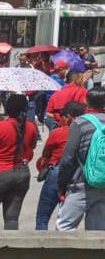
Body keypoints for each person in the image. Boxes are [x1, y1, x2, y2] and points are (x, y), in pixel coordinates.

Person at [0, 93, 37, 230]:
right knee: (12, 217)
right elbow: (32, 147)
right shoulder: (31, 127)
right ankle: (10, 249)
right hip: (22, 174)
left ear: (8, 108)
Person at [57, 85, 105, 230]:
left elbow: (67, 158)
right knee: (97, 232)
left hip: (80, 184)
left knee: (64, 229)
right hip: (102, 184)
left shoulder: (80, 123)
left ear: (86, 101)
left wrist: (61, 186)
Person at [36, 101, 84, 230]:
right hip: (79, 175)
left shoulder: (58, 132)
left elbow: (45, 156)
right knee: (66, 219)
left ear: (68, 117)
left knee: (42, 217)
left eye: (62, 115)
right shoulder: (86, 132)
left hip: (56, 172)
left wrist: (43, 167)